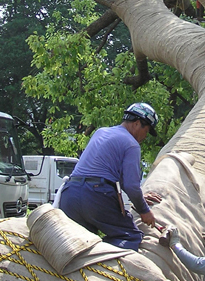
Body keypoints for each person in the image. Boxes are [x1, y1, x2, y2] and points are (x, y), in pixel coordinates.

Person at [59, 102, 161, 251]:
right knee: (129, 236)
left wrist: (139, 198)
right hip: (95, 196)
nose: (145, 136)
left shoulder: (101, 132)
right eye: (147, 131)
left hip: (69, 193)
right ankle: (109, 272)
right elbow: (131, 186)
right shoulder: (132, 145)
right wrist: (144, 211)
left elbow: (102, 171)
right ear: (138, 123)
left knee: (83, 242)